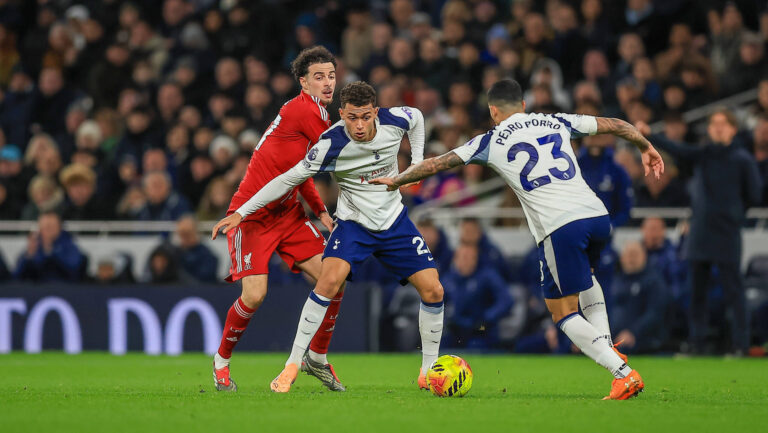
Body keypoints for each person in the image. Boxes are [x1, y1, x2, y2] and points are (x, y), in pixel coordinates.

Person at [371, 79, 664, 400]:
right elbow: (616, 124)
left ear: (493, 111)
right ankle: (608, 347)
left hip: (560, 226)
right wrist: (645, 147)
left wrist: (397, 180)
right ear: (523, 105)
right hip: (597, 216)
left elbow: (438, 163)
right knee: (588, 277)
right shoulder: (556, 120)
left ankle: (623, 373)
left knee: (562, 313)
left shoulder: (491, 139)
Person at [213, 81, 444, 394]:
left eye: (365, 117)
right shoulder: (330, 144)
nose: (359, 125)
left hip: (394, 222)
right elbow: (287, 179)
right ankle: (293, 364)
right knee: (329, 281)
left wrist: (415, 163)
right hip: (353, 225)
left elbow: (416, 116)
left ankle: (428, 372)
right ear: (342, 114)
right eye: (352, 118)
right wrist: (242, 212)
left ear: (376, 112)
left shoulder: (395, 119)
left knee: (434, 290)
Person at [210, 46, 343, 393]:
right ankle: (221, 362)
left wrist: (321, 211)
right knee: (255, 295)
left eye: (331, 76)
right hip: (251, 216)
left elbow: (302, 172)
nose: (327, 83)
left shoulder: (312, 112)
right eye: (319, 77)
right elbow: (339, 155)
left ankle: (317, 358)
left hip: (288, 213)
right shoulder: (304, 111)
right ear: (303, 82)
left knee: (334, 279)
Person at [636, 110, 763, 355]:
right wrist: (650, 135)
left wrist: (734, 214)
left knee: (734, 291)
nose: (717, 128)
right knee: (696, 292)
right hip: (701, 233)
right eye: (713, 124)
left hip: (727, 233)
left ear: (733, 129)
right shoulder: (704, 154)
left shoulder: (742, 159)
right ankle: (697, 344)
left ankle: (741, 344)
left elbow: (755, 194)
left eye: (722, 123)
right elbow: (678, 149)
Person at [442, 243, 513, 349]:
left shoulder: (487, 276)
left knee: (475, 347)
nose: (466, 262)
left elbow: (506, 300)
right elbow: (437, 304)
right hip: (455, 330)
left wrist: (487, 317)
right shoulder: (448, 279)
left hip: (481, 331)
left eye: (471, 258)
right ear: (455, 259)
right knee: (441, 345)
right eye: (463, 257)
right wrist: (446, 320)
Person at [611, 241, 669, 353]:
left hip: (643, 342)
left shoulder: (654, 282)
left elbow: (655, 313)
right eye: (629, 255)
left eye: (635, 254)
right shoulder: (614, 281)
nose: (631, 259)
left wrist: (633, 333)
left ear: (644, 257)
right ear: (622, 258)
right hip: (613, 340)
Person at [15, 212, 85, 282]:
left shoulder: (68, 245)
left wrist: (50, 251)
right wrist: (29, 256)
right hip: (37, 287)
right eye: (44, 227)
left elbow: (74, 269)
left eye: (51, 227)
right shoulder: (35, 245)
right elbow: (17, 275)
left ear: (59, 227)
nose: (47, 231)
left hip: (63, 286)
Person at [175, 215, 219, 283]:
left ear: (195, 232)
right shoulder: (174, 253)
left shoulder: (208, 257)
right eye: (181, 234)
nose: (184, 238)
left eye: (187, 234)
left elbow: (203, 280)